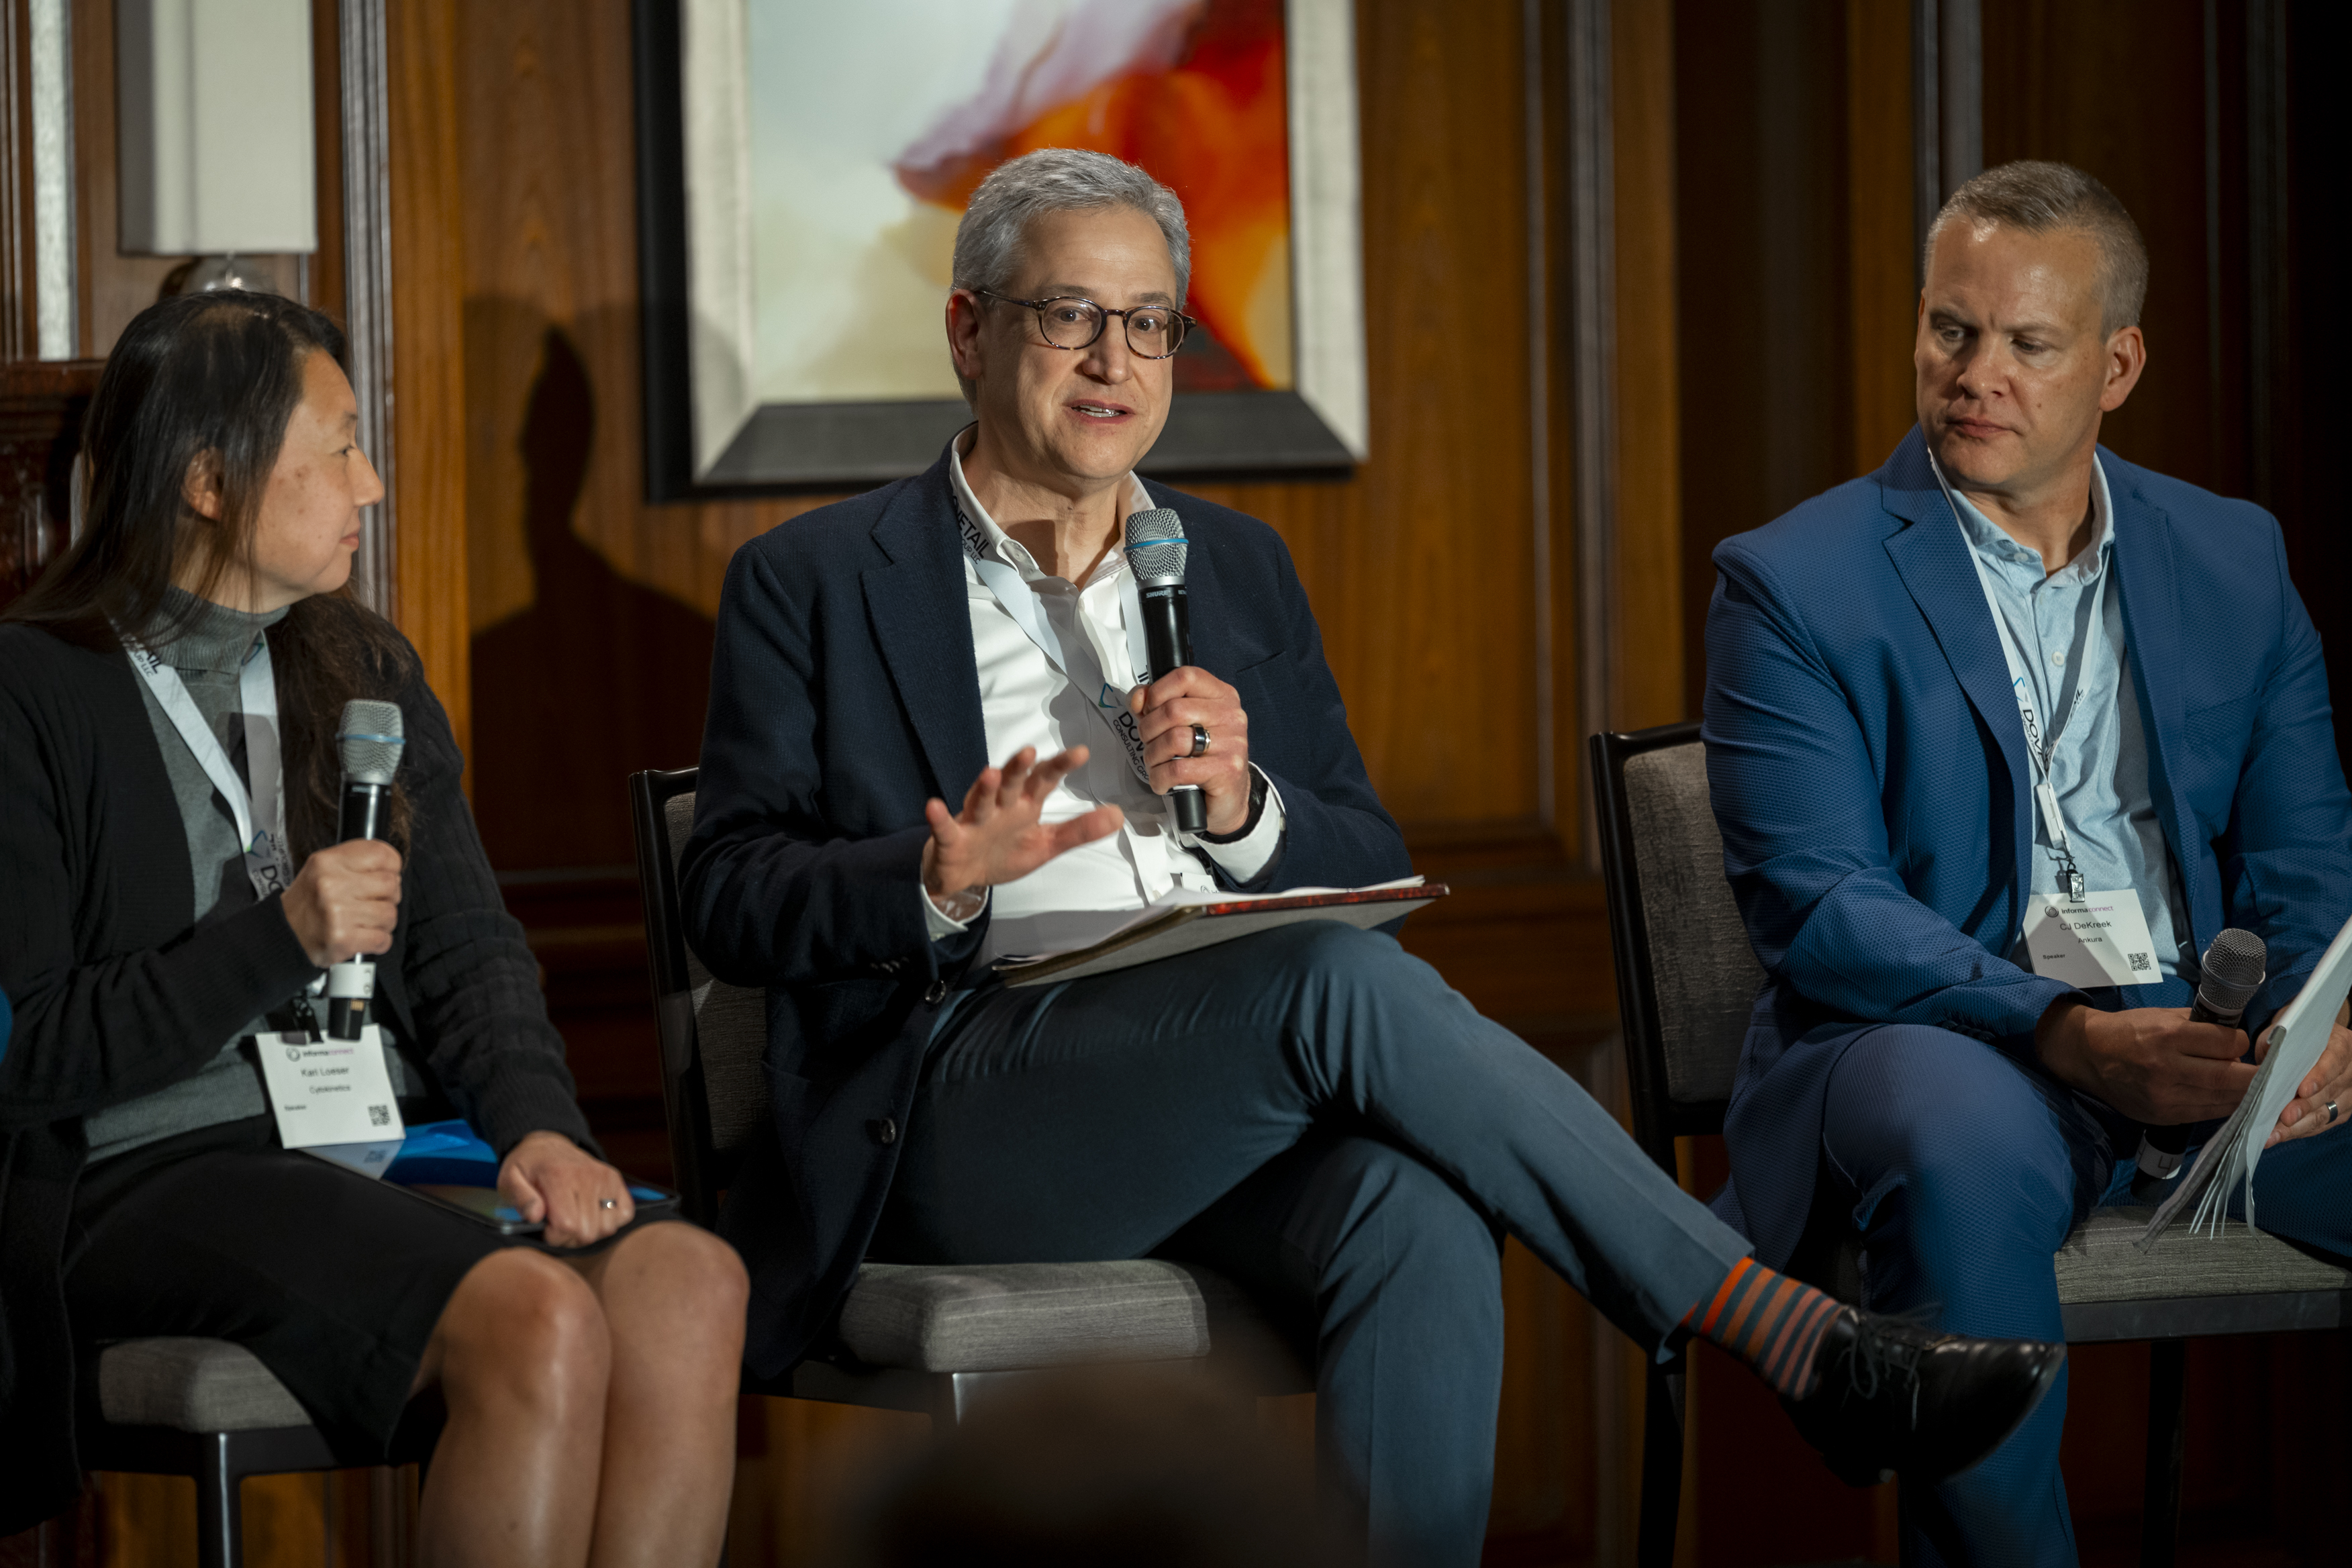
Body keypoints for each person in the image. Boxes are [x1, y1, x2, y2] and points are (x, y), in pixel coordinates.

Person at [684, 148, 2063, 1567]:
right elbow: (726, 890)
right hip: (962, 1105)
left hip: (1210, 1093)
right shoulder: (818, 579)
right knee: (1321, 983)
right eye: (1066, 316)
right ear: (972, 330)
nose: (1116, 358)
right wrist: (938, 879)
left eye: (1152, 321)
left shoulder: (1230, 565)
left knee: (1417, 1215)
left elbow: (1364, 857)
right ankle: (1788, 1333)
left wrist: (1241, 811)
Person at [0, 291, 749, 1567]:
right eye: (340, 445)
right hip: (135, 1170)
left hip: (363, 1140)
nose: (376, 482)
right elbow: (30, 1051)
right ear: (206, 479)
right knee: (535, 1319)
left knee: (691, 1284)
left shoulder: (361, 664)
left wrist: (540, 1127)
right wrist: (279, 939)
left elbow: (466, 945)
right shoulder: (34, 686)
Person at [1702, 159, 2352, 1564]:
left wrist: (2316, 1028)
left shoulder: (2236, 556)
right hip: (1944, 1035)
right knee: (1958, 1141)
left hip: (2208, 1039)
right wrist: (2065, 1030)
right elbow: (1822, 906)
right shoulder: (1793, 580)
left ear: (2117, 364)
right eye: (1953, 330)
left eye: (2028, 343)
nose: (1976, 374)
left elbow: (2305, 848)